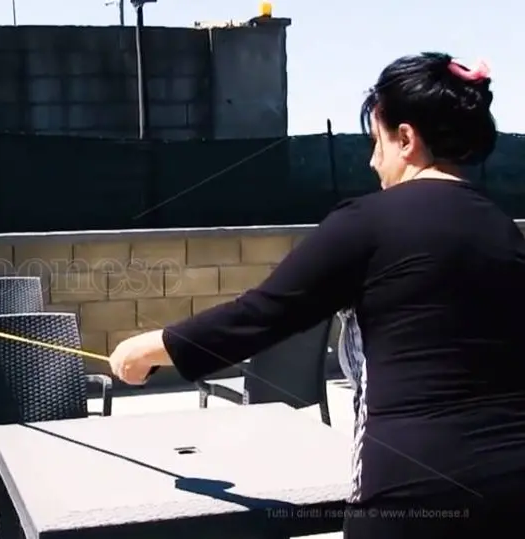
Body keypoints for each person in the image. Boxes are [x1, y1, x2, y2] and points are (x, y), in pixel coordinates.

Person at [108, 53, 525, 538]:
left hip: (414, 493)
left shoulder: (368, 222)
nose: (372, 161)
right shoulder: (502, 230)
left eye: (377, 143)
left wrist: (149, 348)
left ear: (407, 139)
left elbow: (262, 315)